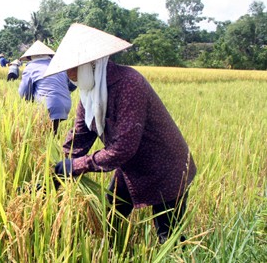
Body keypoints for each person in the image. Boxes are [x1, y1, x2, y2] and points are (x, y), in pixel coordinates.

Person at [45, 23, 197, 245]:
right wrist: (56, 171)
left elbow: (123, 148)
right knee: (110, 215)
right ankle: (115, 252)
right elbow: (81, 136)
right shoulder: (90, 94)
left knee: (168, 235)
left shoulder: (129, 84)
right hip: (131, 167)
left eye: (73, 68)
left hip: (165, 167)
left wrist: (77, 166)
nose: (70, 75)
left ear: (92, 64)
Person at [18, 40, 76, 135]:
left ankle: (54, 146)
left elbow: (24, 92)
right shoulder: (58, 65)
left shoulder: (31, 67)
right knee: (53, 131)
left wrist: (30, 103)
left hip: (47, 106)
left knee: (44, 134)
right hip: (66, 104)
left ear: (30, 57)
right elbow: (72, 85)